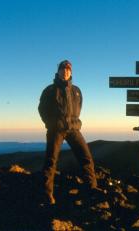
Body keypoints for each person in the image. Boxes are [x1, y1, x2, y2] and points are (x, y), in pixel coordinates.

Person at [38, 60, 100, 205]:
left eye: (68, 69)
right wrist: (52, 124)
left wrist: (75, 123)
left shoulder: (76, 91)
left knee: (86, 158)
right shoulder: (50, 90)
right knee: (51, 161)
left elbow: (79, 108)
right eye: (62, 69)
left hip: (73, 129)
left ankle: (92, 189)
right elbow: (42, 109)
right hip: (56, 130)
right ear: (58, 71)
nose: (65, 72)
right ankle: (47, 194)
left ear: (70, 72)